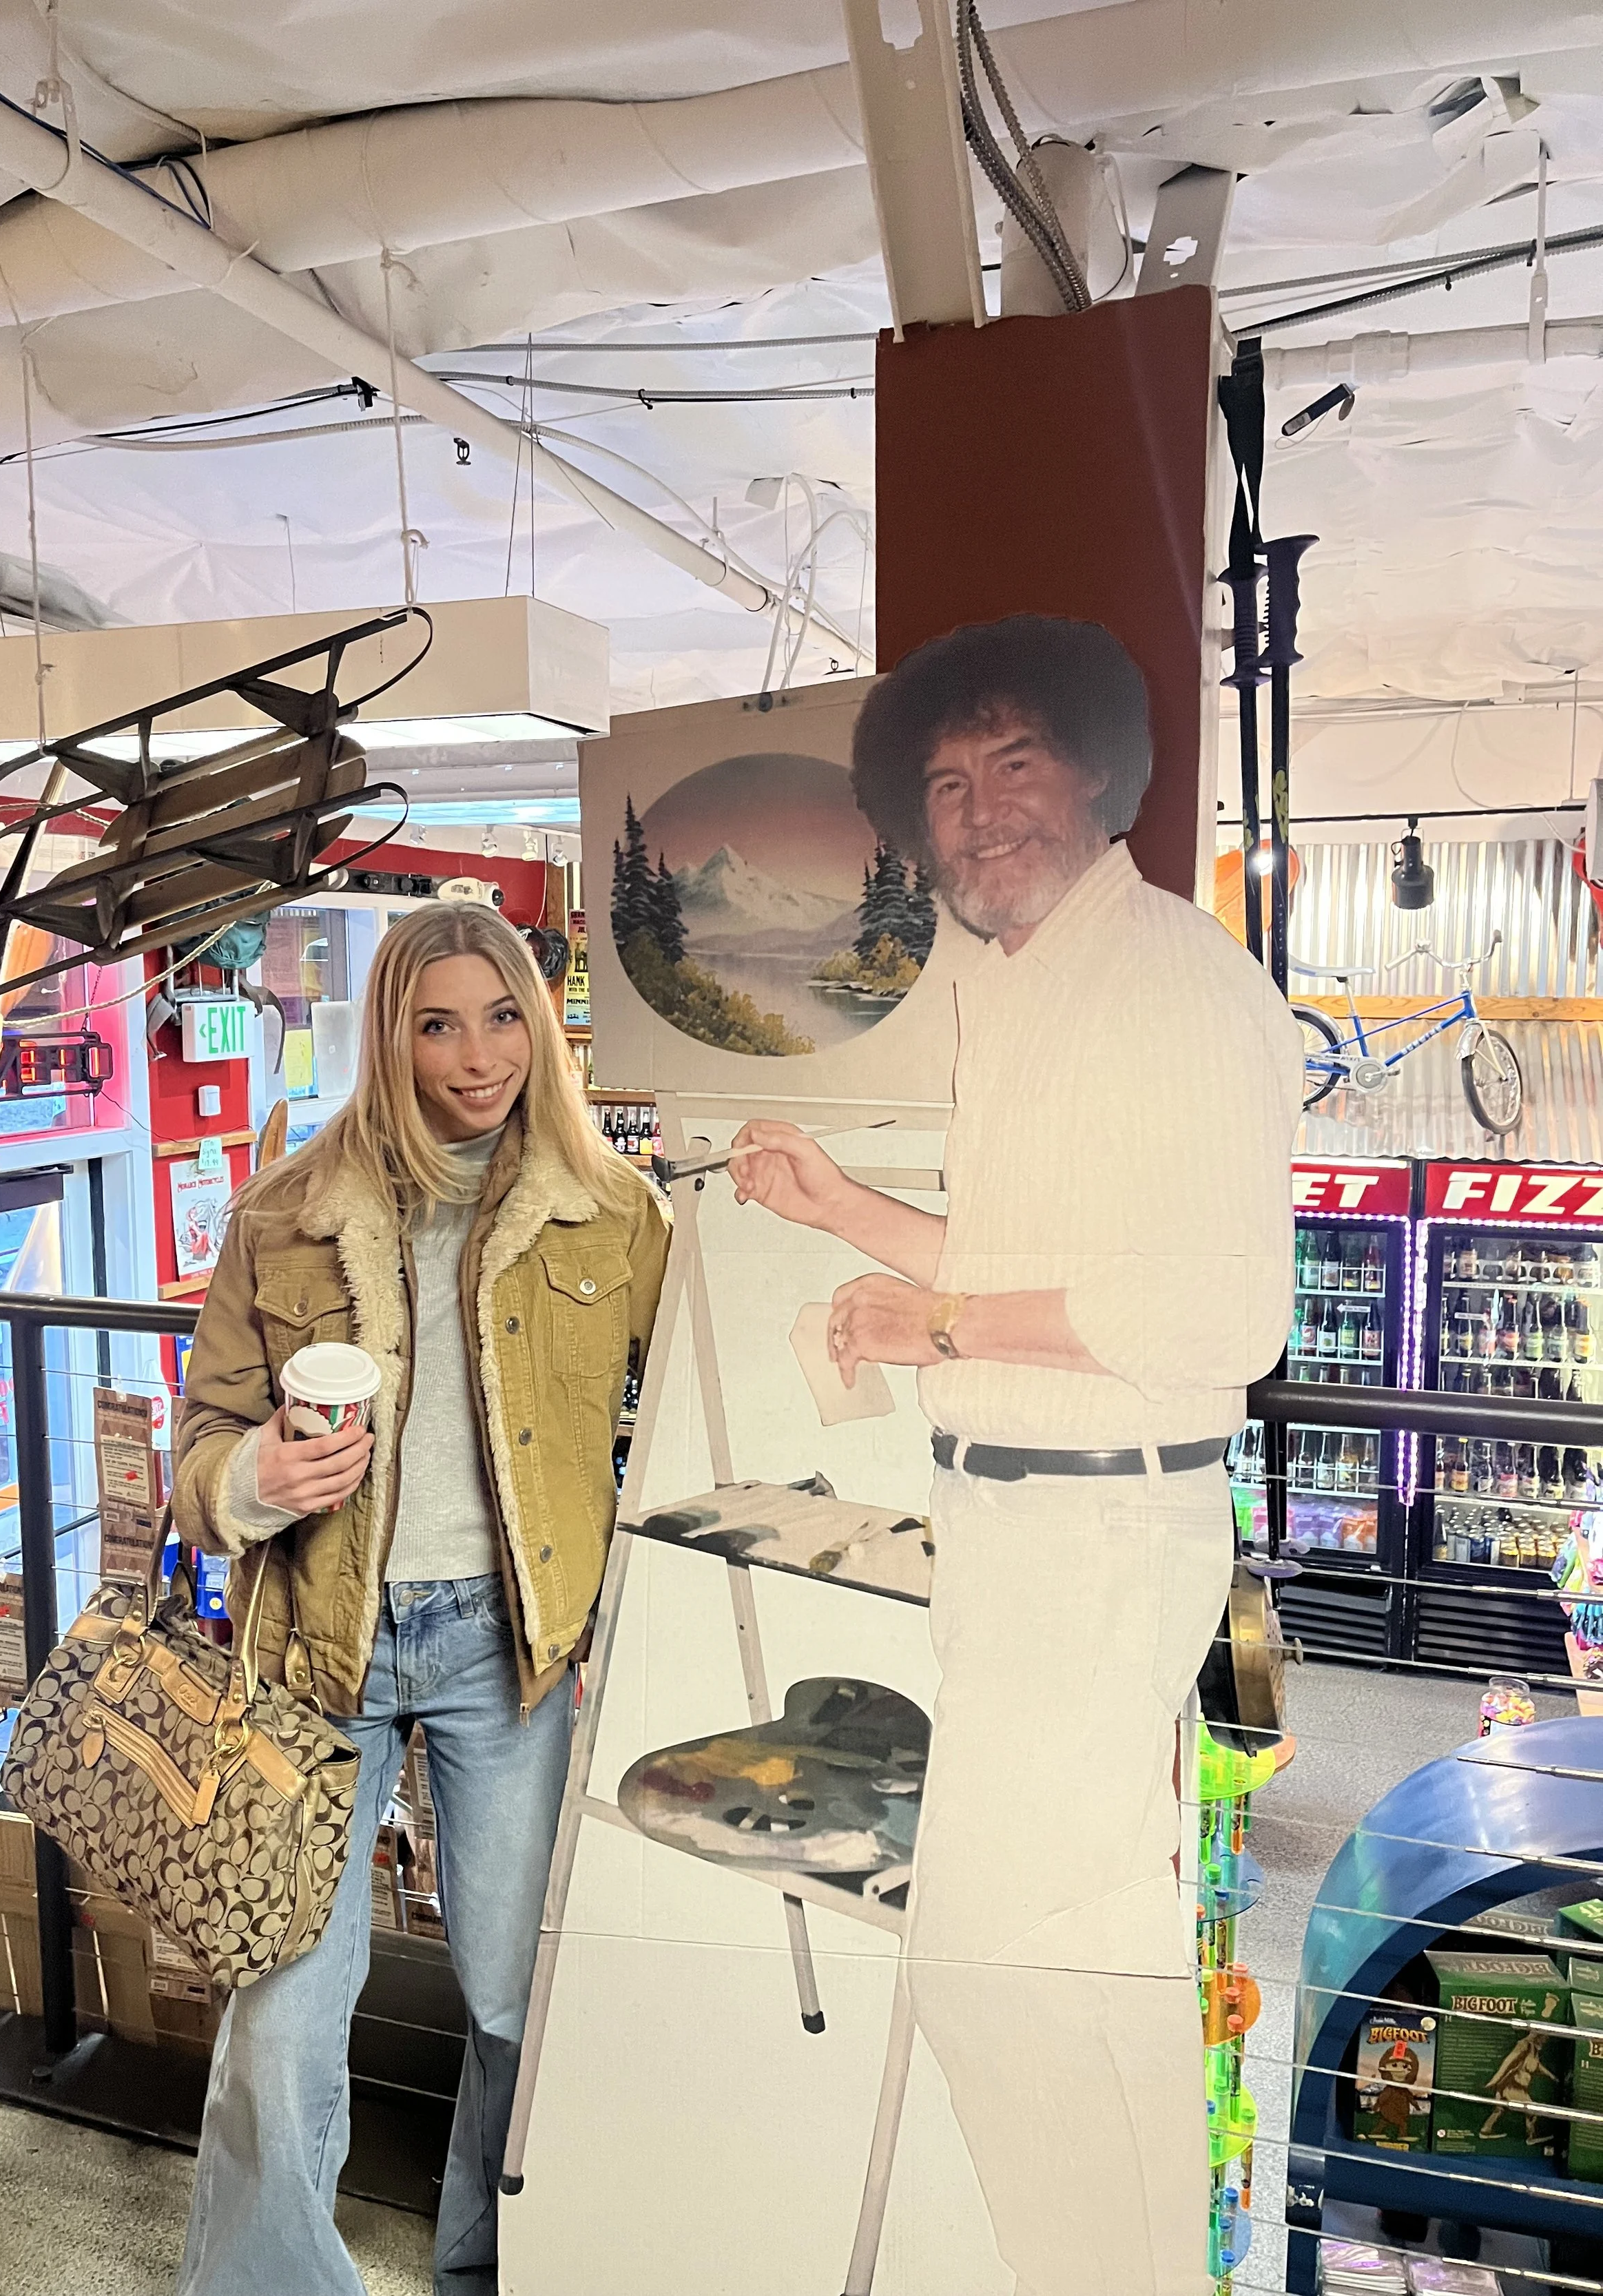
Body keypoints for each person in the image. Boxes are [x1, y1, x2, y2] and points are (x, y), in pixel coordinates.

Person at [732, 614, 1303, 2296]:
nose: (977, 811)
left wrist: (945, 1332)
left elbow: (1217, 1315)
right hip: (1030, 1536)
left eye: (1014, 763)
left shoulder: (1174, 985)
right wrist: (848, 1220)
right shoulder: (1028, 983)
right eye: (945, 782)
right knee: (1085, 1967)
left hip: (1093, 1539)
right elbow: (1025, 1249)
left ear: (1102, 777)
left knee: (1002, 1976)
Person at [172, 900, 669, 2296]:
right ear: (387, 1035)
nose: (475, 1055)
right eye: (436, 1022)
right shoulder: (283, 1212)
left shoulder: (611, 1214)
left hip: (508, 1653)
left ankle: (497, 2265)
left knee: (522, 1998)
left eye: (502, 1017)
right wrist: (262, 1473)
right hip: (312, 1658)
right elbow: (194, 1462)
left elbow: (699, 1419)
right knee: (278, 2018)